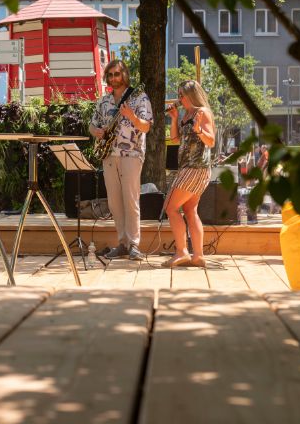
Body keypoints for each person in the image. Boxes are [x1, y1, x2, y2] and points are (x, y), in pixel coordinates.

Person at [89, 59, 154, 261]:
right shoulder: (104, 101)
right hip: (109, 155)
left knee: (131, 199)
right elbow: (92, 125)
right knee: (114, 202)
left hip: (131, 155)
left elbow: (146, 126)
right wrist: (96, 132)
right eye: (110, 75)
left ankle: (134, 244)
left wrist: (132, 116)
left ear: (124, 75)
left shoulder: (139, 97)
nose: (114, 78)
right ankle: (122, 243)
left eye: (117, 74)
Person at [163, 80, 216, 268]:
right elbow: (174, 139)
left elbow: (210, 141)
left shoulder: (203, 113)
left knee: (170, 208)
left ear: (191, 95)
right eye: (178, 95)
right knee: (189, 210)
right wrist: (174, 118)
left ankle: (182, 251)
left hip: (196, 167)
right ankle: (198, 255)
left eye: (181, 95)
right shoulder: (187, 114)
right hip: (190, 168)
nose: (179, 99)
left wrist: (199, 130)